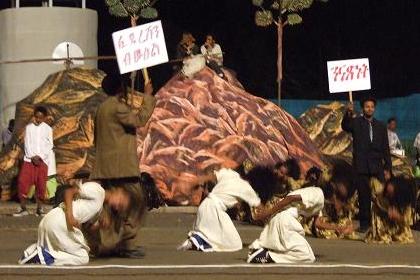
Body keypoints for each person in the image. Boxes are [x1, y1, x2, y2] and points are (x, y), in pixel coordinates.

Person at [89, 73, 156, 258]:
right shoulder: (117, 107)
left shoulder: (101, 108)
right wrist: (148, 96)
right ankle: (128, 244)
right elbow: (139, 120)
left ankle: (110, 244)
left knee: (113, 209)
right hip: (121, 168)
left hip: (106, 168)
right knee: (136, 204)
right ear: (120, 89)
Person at [18, 181, 136, 265]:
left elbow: (87, 227)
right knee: (82, 257)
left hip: (52, 222)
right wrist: (70, 215)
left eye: (120, 207)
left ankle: (33, 251)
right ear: (118, 191)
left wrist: (100, 225)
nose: (117, 206)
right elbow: (69, 192)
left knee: (68, 250)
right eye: (120, 201)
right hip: (59, 221)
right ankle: (42, 257)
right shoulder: (97, 190)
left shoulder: (99, 208)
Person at [178, 166, 280, 252]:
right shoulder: (248, 189)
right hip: (214, 209)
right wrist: (271, 219)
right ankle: (198, 241)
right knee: (234, 244)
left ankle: (195, 241)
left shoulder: (231, 174)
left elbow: (209, 177)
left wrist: (194, 183)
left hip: (205, 206)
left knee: (216, 234)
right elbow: (261, 209)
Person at [247, 182, 353, 264]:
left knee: (307, 255)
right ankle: (266, 256)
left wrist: (338, 228)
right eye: (342, 201)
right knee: (306, 256)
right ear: (334, 197)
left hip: (285, 221)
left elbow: (317, 224)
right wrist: (268, 212)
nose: (340, 206)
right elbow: (290, 198)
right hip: (285, 220)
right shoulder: (317, 193)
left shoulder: (320, 203)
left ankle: (263, 252)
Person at [341, 96, 392, 232]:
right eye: (367, 106)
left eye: (372, 106)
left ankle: (381, 223)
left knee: (380, 197)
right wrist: (348, 112)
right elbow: (345, 126)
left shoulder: (381, 126)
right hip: (361, 167)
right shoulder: (356, 123)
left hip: (377, 167)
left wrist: (388, 168)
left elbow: (385, 148)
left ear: (374, 109)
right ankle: (365, 225)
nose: (369, 109)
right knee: (364, 197)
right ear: (363, 108)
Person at [14, 106, 53, 217]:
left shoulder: (48, 129)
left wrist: (40, 156)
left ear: (45, 118)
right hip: (29, 160)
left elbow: (49, 145)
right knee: (23, 182)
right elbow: (27, 143)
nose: (38, 119)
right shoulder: (29, 128)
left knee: (41, 184)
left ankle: (39, 209)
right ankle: (23, 208)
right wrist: (32, 156)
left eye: (40, 118)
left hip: (42, 161)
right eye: (36, 117)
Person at [366, 176, 415, 244]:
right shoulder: (382, 192)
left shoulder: (406, 203)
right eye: (387, 192)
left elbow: (408, 221)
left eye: (391, 193)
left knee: (404, 234)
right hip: (383, 221)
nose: (387, 194)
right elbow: (373, 181)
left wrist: (398, 216)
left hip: (399, 224)